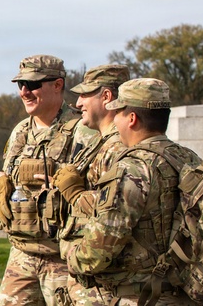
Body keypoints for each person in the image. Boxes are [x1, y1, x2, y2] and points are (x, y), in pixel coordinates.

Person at [64, 78, 201, 305]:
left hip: (140, 296)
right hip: (184, 293)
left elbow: (99, 250)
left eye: (117, 113)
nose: (114, 121)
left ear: (132, 118)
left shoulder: (132, 168)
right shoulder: (190, 158)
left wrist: (70, 256)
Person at [0, 54, 97, 305]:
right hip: (21, 253)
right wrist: (1, 185)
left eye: (33, 84)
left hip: (62, 256)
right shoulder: (20, 131)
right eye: (20, 85)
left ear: (57, 85)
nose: (24, 92)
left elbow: (99, 195)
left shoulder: (83, 130)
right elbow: (11, 175)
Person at [52, 64, 130, 305]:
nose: (78, 103)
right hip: (89, 279)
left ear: (106, 97)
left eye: (85, 94)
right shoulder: (99, 143)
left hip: (104, 283)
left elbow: (118, 208)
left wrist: (75, 193)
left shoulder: (118, 147)